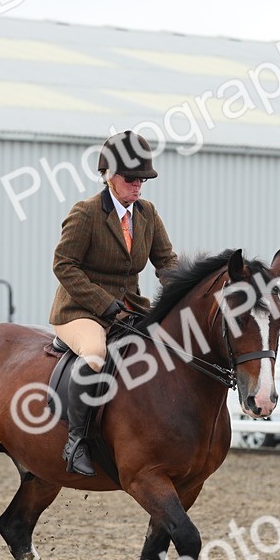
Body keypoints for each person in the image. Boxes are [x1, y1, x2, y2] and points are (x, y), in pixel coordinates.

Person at [49, 131, 178, 476]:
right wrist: (105, 304)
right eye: (131, 178)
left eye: (143, 179)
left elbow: (166, 262)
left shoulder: (147, 213)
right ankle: (75, 440)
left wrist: (183, 292)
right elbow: (64, 265)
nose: (138, 185)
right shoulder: (86, 213)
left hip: (130, 308)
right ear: (109, 174)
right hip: (80, 310)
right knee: (95, 354)